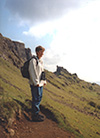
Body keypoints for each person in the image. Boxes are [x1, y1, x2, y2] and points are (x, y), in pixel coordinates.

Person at [29, 46, 46, 122]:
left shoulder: (40, 61)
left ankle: (37, 113)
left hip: (40, 84)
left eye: (43, 52)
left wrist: (43, 81)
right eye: (41, 52)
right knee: (36, 99)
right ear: (37, 52)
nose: (42, 53)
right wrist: (36, 82)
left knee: (39, 98)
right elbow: (32, 72)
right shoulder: (33, 60)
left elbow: (42, 72)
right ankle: (34, 116)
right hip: (35, 84)